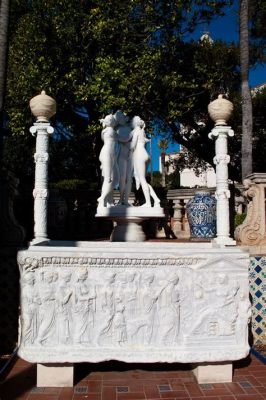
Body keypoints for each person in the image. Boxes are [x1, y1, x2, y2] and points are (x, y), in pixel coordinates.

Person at [130, 116, 160, 207]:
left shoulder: (136, 131)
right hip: (146, 155)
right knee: (144, 181)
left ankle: (148, 202)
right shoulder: (142, 131)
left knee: (142, 180)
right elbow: (145, 140)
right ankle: (156, 199)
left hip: (139, 155)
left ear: (134, 123)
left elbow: (132, 145)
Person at [97, 114, 118, 207]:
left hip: (109, 154)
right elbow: (123, 139)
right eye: (112, 119)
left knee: (113, 178)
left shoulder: (106, 131)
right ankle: (103, 199)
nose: (113, 121)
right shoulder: (110, 131)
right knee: (109, 178)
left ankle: (109, 201)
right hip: (107, 154)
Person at [115, 110, 133, 205]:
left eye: (120, 118)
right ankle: (121, 198)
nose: (118, 120)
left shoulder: (131, 128)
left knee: (129, 178)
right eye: (117, 119)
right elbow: (123, 140)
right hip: (122, 155)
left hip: (130, 155)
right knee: (122, 177)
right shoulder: (117, 130)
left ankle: (126, 200)